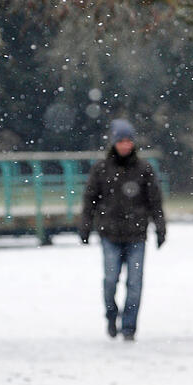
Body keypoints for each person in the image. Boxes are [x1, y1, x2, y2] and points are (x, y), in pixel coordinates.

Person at [80, 118, 166, 341]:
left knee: (135, 284)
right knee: (110, 281)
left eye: (129, 141)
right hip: (109, 234)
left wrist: (160, 227)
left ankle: (129, 327)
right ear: (114, 142)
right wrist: (85, 226)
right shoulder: (101, 169)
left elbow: (155, 201)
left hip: (136, 235)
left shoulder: (144, 169)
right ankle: (111, 315)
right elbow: (90, 199)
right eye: (121, 141)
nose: (125, 145)